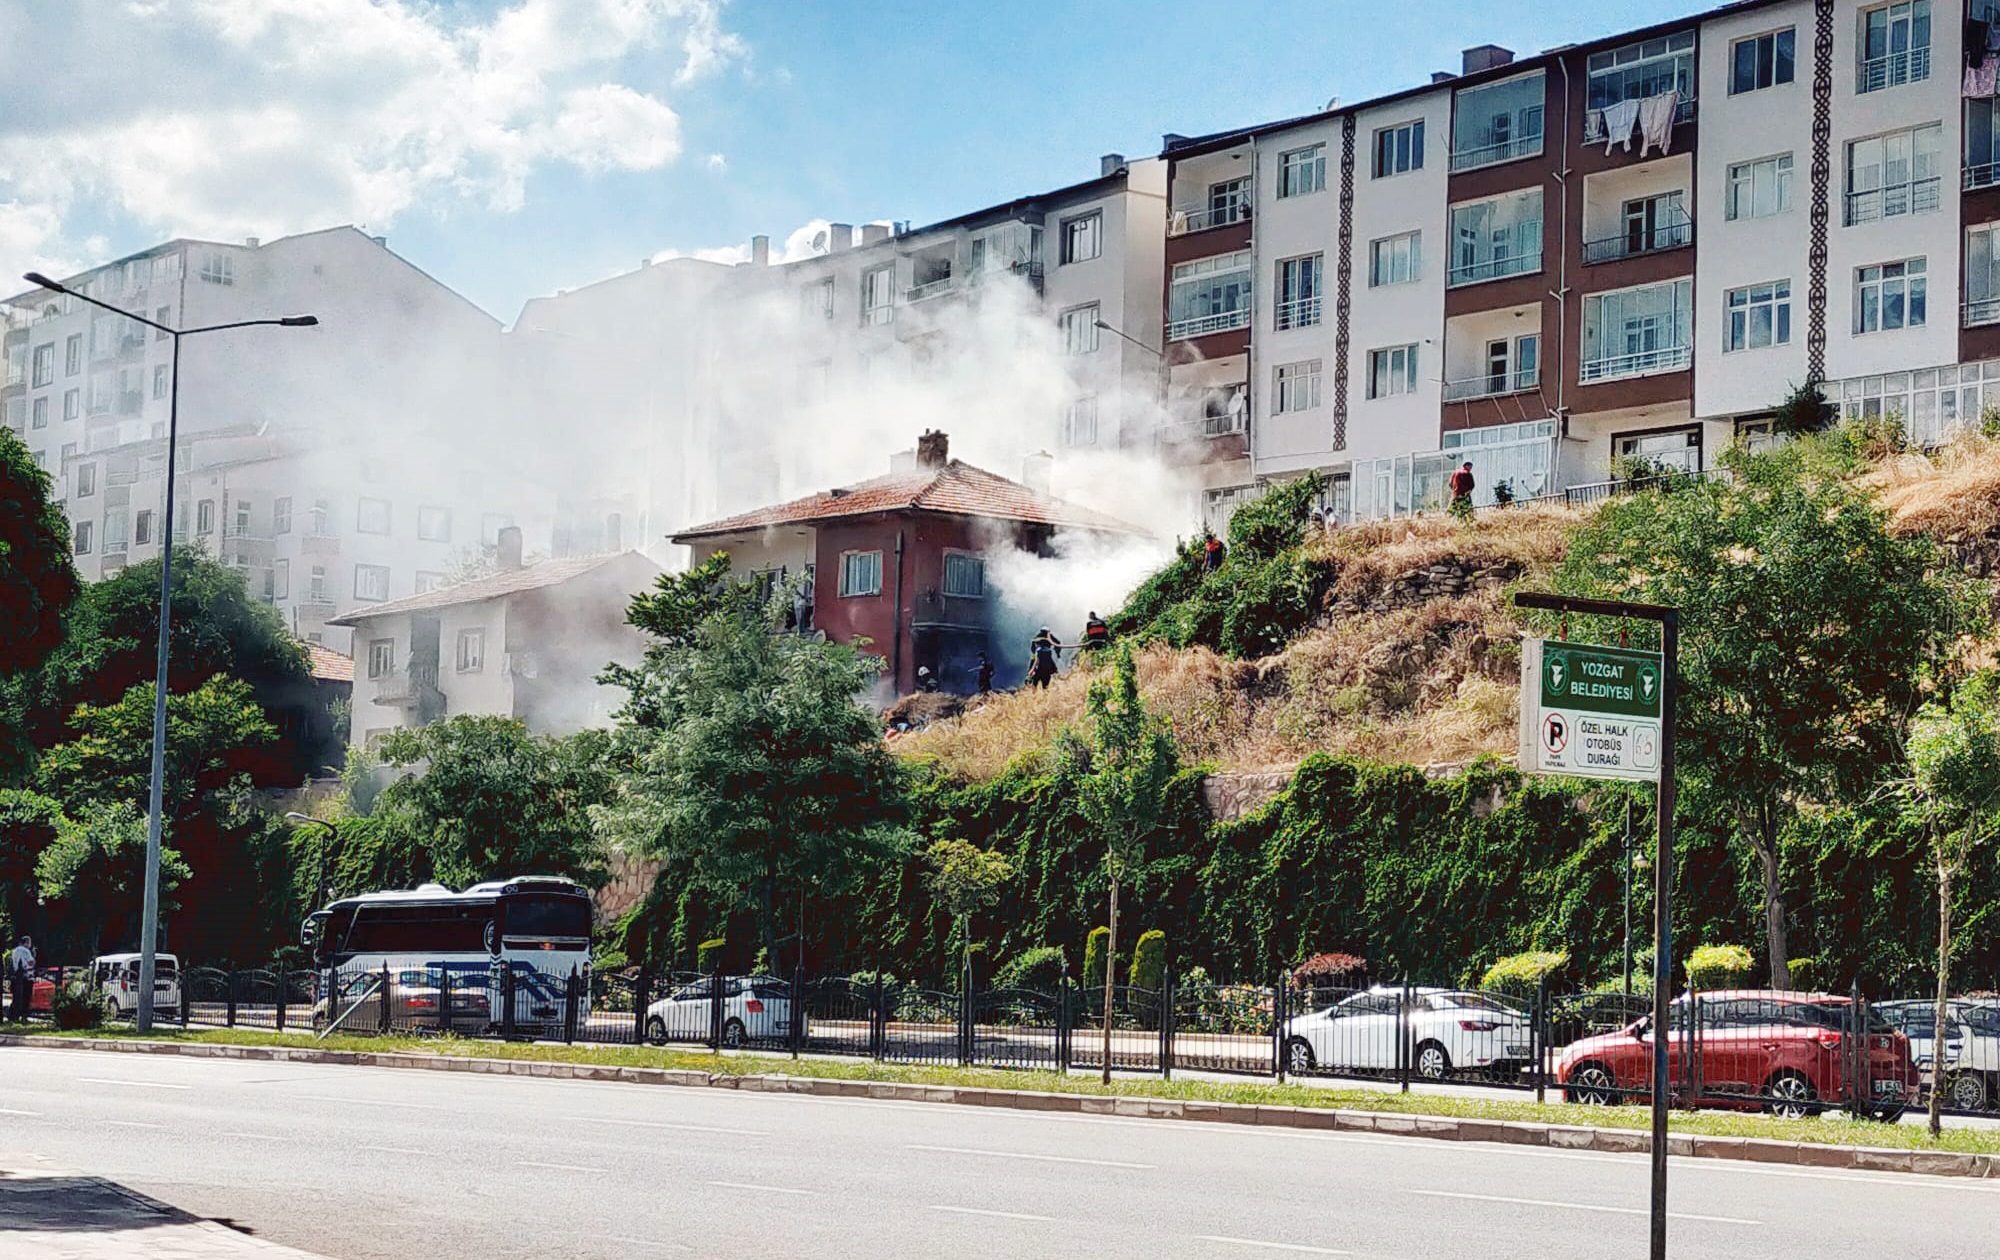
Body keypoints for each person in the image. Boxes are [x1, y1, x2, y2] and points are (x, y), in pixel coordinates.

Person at [7, 935, 33, 1022]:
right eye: (29, 942)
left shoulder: (14, 951)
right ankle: (24, 1017)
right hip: (26, 976)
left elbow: (12, 963)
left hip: (16, 977)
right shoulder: (26, 951)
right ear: (26, 942)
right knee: (26, 997)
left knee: (16, 997)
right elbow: (30, 962)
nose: (30, 945)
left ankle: (13, 1016)